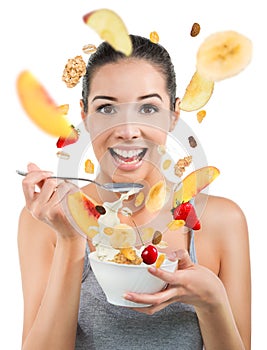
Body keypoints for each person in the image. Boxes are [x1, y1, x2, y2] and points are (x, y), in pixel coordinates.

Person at [18, 34, 251, 349]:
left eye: (148, 109)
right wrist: (72, 240)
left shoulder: (223, 221)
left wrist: (213, 302)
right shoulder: (48, 218)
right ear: (85, 116)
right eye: (107, 109)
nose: (127, 130)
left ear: (174, 115)